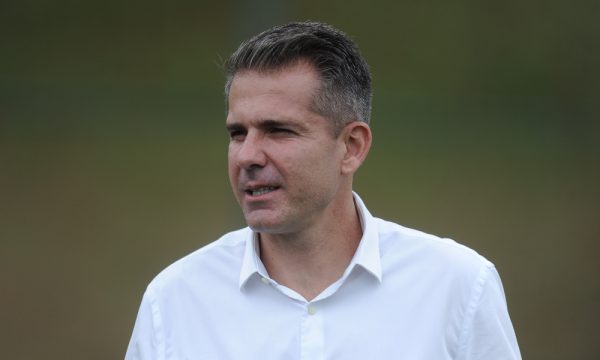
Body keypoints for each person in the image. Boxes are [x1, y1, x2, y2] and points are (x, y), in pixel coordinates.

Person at [125, 21, 521, 359]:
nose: (247, 155)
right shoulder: (174, 301)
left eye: (278, 130)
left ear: (351, 147)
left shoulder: (459, 286)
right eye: (237, 133)